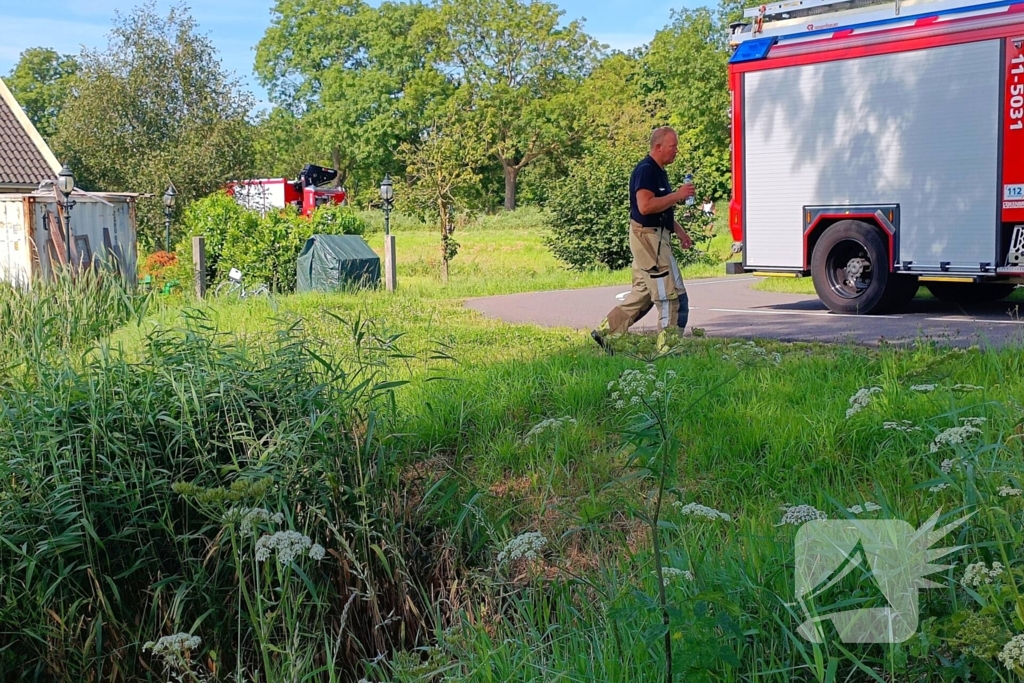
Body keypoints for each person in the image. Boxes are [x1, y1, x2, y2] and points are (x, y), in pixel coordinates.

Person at [591, 127, 695, 353]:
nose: (676, 151)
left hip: (654, 237)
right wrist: (678, 195)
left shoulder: (659, 171)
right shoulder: (646, 170)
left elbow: (661, 207)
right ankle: (668, 350)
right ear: (658, 147)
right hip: (648, 239)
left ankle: (605, 333)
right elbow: (645, 206)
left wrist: (679, 231)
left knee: (643, 294)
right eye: (672, 146)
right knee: (672, 297)